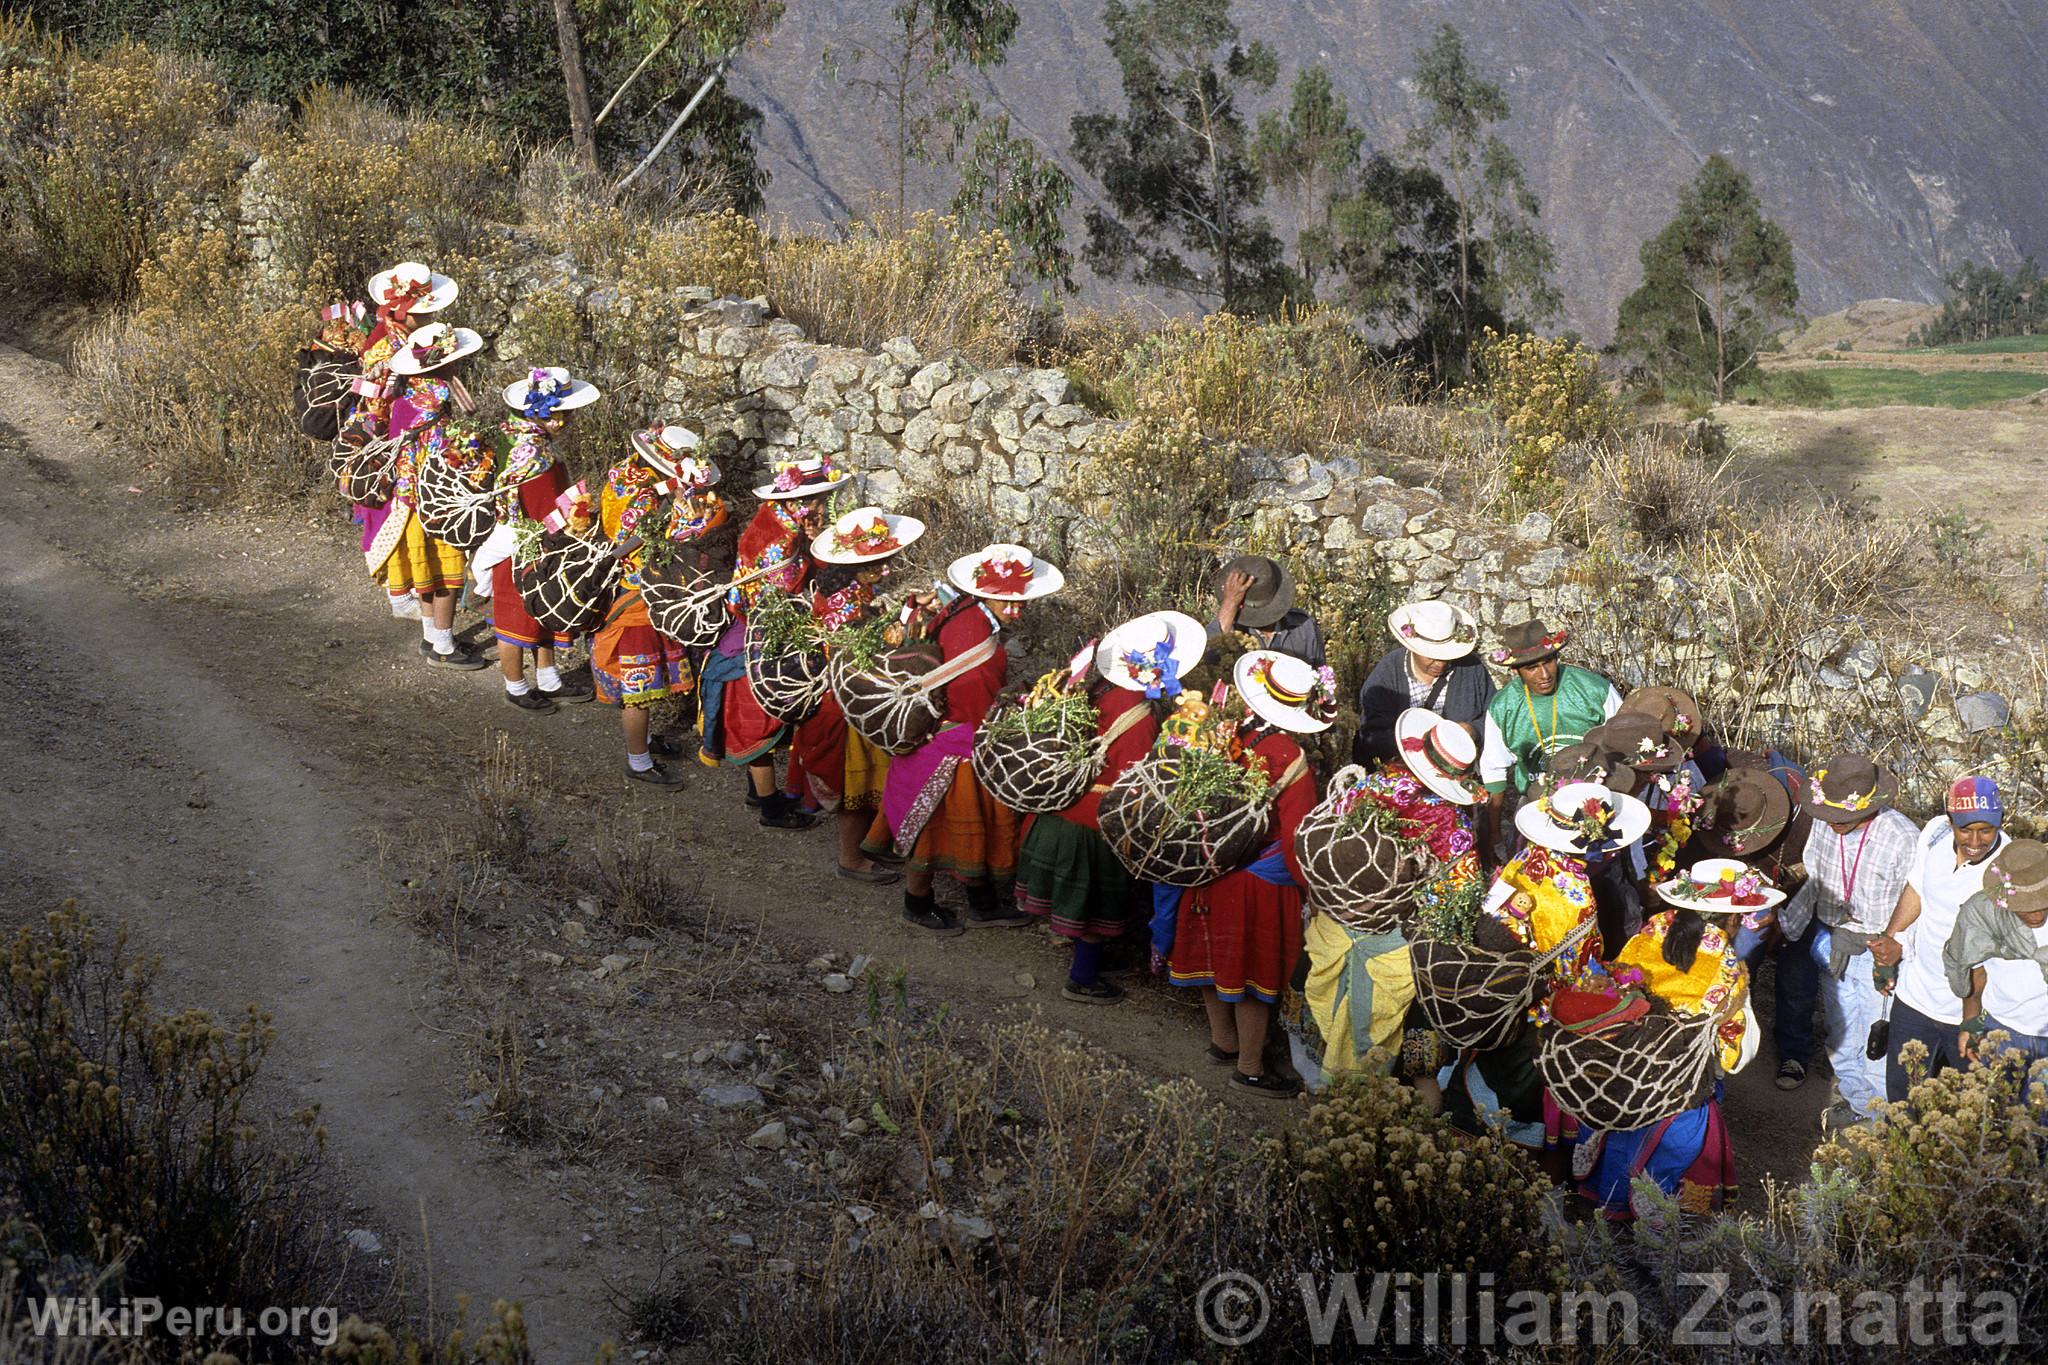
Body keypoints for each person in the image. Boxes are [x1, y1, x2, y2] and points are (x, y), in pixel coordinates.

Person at [868, 543, 1064, 935]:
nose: (1017, 609)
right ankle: (918, 903)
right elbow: (974, 695)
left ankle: (983, 902)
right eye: (1008, 601)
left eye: (1018, 601)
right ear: (986, 595)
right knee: (936, 826)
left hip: (943, 738)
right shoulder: (977, 633)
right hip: (954, 748)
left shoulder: (963, 609)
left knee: (970, 824)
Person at [1015, 611, 1204, 1003]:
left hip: (1067, 805)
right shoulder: (1138, 713)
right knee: (1097, 899)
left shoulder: (1099, 689)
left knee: (1086, 899)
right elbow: (1133, 778)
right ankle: (1082, 977)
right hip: (1097, 820)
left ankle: (1091, 958)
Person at [1166, 649, 1331, 1098]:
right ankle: (1251, 1066)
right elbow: (1298, 835)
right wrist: (1311, 888)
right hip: (1260, 880)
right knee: (1254, 972)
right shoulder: (1290, 758)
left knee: (1214, 958)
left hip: (1210, 865)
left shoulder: (1226, 734)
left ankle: (1223, 1041)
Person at [1558, 871, 1760, 1220]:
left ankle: (1601, 1202)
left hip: (1626, 1067)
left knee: (1620, 1133)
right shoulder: (1725, 962)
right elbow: (1732, 1051)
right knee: (1673, 1142)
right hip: (1677, 1080)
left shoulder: (1649, 932)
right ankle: (1641, 1219)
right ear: (1730, 916)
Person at [1303, 708, 1481, 1078]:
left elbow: (1329, 837)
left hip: (1338, 919)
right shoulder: (1452, 824)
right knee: (1379, 1026)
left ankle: (1317, 1081)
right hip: (1395, 942)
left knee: (1331, 1009)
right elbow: (1455, 900)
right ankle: (1362, 1103)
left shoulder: (1372, 785)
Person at [697, 455, 845, 829]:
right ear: (803, 502)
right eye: (818, 500)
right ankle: (771, 808)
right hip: (762, 637)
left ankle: (758, 792)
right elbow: (787, 595)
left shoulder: (771, 521)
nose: (822, 507)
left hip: (745, 626)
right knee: (757, 724)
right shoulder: (781, 542)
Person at [1779, 753, 1918, 1134]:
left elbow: (1919, 899)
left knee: (1878, 1031)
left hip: (1879, 950)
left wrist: (1889, 942)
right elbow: (1816, 878)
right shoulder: (1826, 823)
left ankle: (1879, 1110)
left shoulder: (1902, 837)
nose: (1835, 825)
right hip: (1832, 938)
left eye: (1845, 818)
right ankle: (1856, 1097)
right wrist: (1794, 926)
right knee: (1841, 1025)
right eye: (1832, 817)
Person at [785, 506, 925, 882]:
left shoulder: (853, 591)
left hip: (855, 696)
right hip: (845, 703)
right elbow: (860, 650)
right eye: (877, 565)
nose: (886, 571)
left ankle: (868, 845)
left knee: (867, 780)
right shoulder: (845, 604)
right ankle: (851, 858)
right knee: (855, 784)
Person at [593, 426, 724, 787]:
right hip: (638, 592)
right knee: (640, 685)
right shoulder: (649, 496)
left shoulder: (625, 472)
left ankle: (645, 742)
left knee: (642, 680)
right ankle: (638, 761)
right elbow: (635, 536)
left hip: (625, 586)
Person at [1868, 776, 2009, 1100]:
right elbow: (1917, 887)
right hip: (1915, 997)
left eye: (1986, 830)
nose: (1975, 840)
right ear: (1950, 821)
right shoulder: (1934, 834)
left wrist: (1972, 1020)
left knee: (1969, 1109)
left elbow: (1993, 954)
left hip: (1967, 1009)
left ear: (2001, 822)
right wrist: (1891, 942)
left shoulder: (2008, 869)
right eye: (1965, 829)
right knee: (1902, 1099)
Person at [1693, 753, 1818, 1090]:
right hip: (1750, 905)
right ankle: (1721, 1039)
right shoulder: (1734, 791)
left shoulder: (1808, 817)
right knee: (1737, 961)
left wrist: (1784, 916)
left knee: (1797, 975)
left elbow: (1818, 877)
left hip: (1802, 901)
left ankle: (1794, 1052)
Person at [484, 367, 600, 712]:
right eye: (563, 414)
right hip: (522, 544)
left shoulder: (530, 444)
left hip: (541, 540)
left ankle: (548, 678)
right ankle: (515, 684)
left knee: (543, 610)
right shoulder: (532, 456)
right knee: (516, 616)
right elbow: (535, 504)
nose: (569, 420)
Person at [347, 262, 457, 621]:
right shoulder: (382, 346)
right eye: (421, 313)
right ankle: (401, 591)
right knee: (394, 511)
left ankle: (409, 588)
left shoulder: (395, 333)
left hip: (406, 431)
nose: (425, 319)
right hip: (396, 436)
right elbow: (376, 400)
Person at [379, 321, 489, 668]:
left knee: (426, 567)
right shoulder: (438, 397)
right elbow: (445, 449)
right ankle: (442, 643)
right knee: (446, 570)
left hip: (407, 497)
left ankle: (432, 635)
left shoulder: (406, 393)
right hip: (434, 497)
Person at [1477, 619, 1620, 867]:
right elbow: (1493, 771)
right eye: (1532, 667)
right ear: (1516, 670)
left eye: (1549, 662)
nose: (1544, 675)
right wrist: (1495, 833)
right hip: (1537, 806)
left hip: (1597, 804)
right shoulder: (1504, 707)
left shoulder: (1594, 690)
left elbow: (1624, 746)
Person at [1942, 838, 2048, 1069]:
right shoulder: (1983, 914)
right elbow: (1975, 971)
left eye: (2042, 902)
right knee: (1998, 1102)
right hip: (2001, 1030)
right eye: (2026, 906)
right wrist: (1970, 1024)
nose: (2037, 915)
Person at [1352, 599, 1495, 768]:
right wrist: (1415, 747)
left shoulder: (1472, 669)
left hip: (1455, 772)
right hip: (1398, 770)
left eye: (1447, 656)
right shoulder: (1387, 674)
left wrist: (1474, 730)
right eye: (1431, 657)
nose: (1440, 664)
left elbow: (1494, 717)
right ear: (1413, 648)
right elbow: (1372, 733)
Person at [1206, 555, 1325, 666]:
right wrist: (1229, 604)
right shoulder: (1230, 631)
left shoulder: (1303, 628)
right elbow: (1203, 658)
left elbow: (1321, 679)